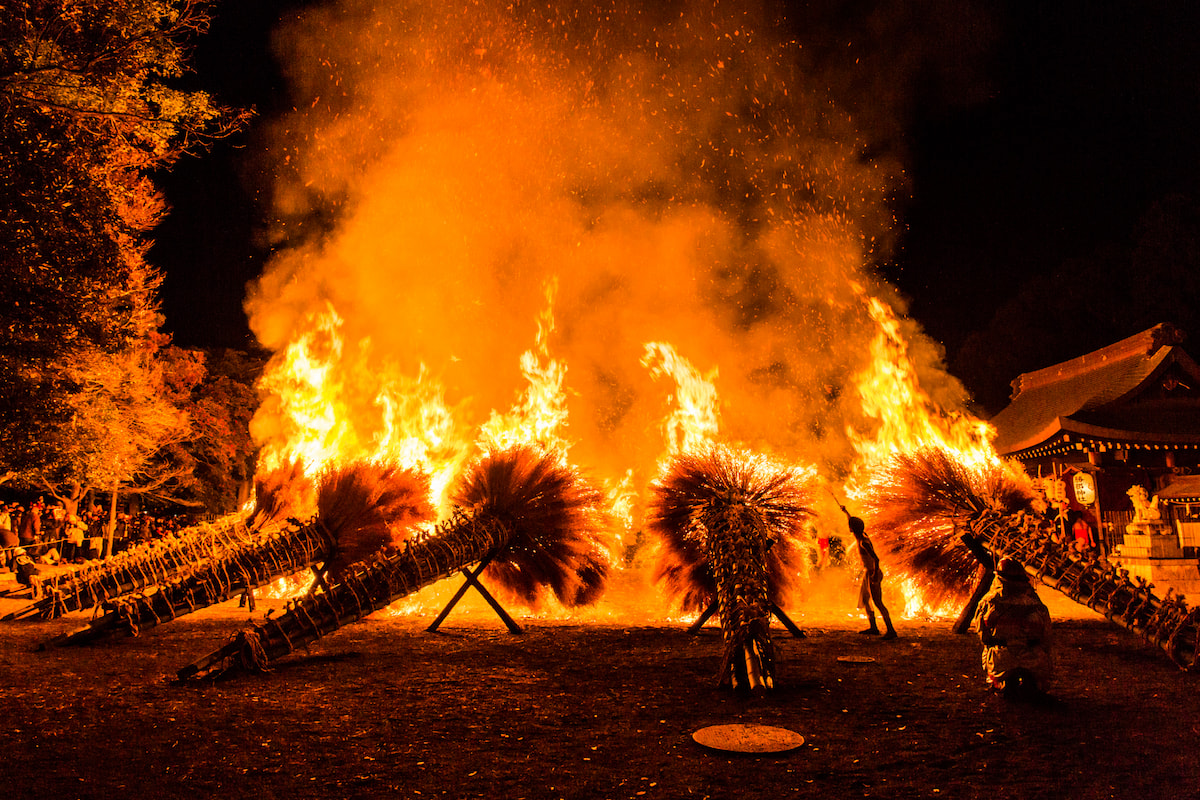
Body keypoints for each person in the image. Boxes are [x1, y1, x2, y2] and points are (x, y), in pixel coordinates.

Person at [973, 557, 1053, 699]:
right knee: (1035, 686)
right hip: (1033, 657)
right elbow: (1046, 636)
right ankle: (1032, 682)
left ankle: (1002, 682)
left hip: (1001, 657)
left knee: (992, 658)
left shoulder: (988, 602)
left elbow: (983, 636)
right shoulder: (1036, 604)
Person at [848, 516, 897, 640]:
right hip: (868, 573)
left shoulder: (863, 542)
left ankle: (891, 631)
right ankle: (874, 628)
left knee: (878, 602)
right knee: (865, 600)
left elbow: (876, 559)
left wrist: (874, 575)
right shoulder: (861, 536)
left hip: (872, 573)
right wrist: (846, 512)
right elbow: (853, 523)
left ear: (852, 529)